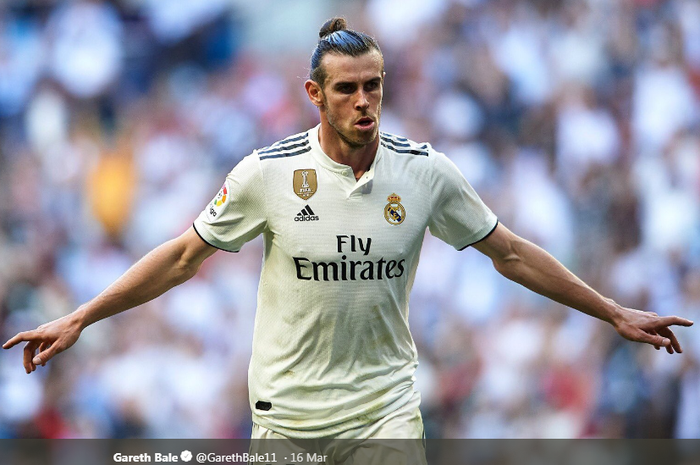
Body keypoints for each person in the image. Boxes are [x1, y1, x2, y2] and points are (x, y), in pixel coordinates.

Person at [3, 16, 693, 461]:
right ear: (314, 93)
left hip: (385, 411)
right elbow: (183, 256)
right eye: (348, 90)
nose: (365, 101)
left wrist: (613, 311)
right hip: (288, 420)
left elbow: (509, 253)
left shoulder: (424, 173)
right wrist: (82, 315)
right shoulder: (266, 173)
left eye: (375, 86)